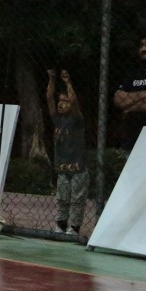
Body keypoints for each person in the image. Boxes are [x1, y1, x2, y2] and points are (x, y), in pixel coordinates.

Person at [46, 69, 87, 237]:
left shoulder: (77, 119)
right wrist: (52, 79)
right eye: (60, 101)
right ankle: (61, 224)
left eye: (65, 101)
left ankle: (74, 227)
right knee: (62, 197)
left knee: (77, 198)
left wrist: (68, 82)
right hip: (62, 167)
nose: (61, 104)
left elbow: (74, 102)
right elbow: (49, 97)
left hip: (77, 167)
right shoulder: (57, 119)